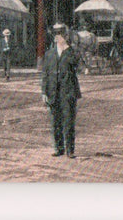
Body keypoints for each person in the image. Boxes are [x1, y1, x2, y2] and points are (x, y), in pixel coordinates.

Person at [42, 23, 81, 158]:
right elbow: (45, 74)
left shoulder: (71, 51)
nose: (58, 37)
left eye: (61, 34)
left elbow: (76, 64)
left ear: (65, 36)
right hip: (53, 92)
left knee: (68, 121)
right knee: (55, 123)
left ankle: (70, 150)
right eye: (56, 34)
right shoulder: (49, 54)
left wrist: (67, 48)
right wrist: (44, 92)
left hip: (68, 92)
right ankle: (59, 148)